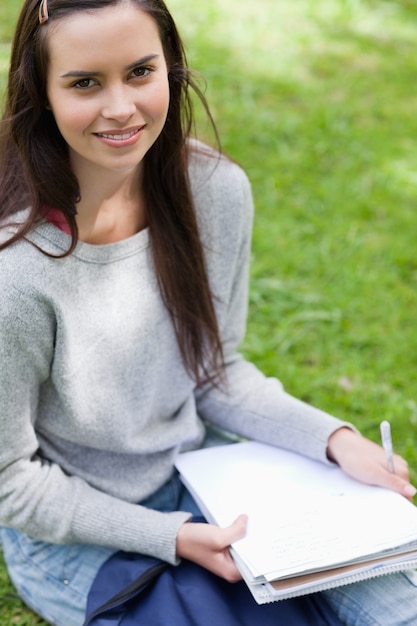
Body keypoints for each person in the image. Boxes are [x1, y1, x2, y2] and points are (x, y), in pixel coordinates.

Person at [0, 1, 416, 624]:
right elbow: (13, 483)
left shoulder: (215, 191)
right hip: (82, 534)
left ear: (171, 68)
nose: (121, 107)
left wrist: (334, 441)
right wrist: (170, 537)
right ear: (43, 94)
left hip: (208, 473)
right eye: (85, 82)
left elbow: (215, 372)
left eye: (140, 72)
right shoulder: (18, 272)